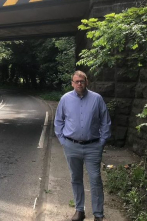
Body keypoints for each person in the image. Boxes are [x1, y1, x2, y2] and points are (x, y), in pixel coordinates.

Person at [54, 70, 111, 221]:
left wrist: (102, 142)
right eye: (76, 81)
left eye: (82, 81)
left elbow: (105, 121)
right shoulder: (65, 99)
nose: (79, 84)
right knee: (75, 178)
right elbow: (59, 121)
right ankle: (80, 210)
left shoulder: (97, 99)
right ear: (72, 83)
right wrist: (62, 140)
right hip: (71, 146)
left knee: (95, 179)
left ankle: (98, 214)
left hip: (93, 146)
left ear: (87, 82)